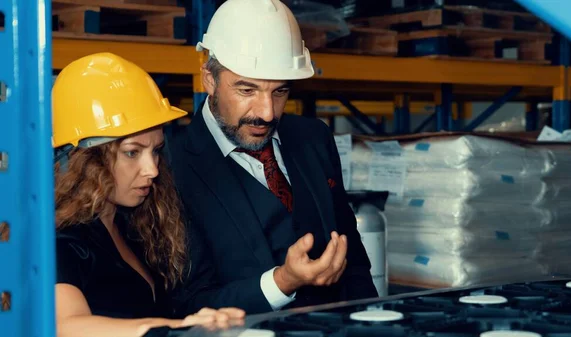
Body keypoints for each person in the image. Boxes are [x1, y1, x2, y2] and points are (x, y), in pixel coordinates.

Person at [167, 0, 379, 316]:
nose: (267, 113)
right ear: (209, 80)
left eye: (279, 92)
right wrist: (282, 283)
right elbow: (187, 304)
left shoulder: (313, 138)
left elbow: (354, 258)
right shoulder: (169, 167)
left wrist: (372, 321)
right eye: (247, 91)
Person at [51, 53, 245, 337]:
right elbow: (66, 325)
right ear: (84, 158)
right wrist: (177, 328)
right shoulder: (62, 240)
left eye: (155, 150)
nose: (152, 169)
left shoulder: (135, 227)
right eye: (132, 152)